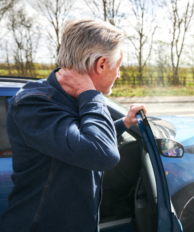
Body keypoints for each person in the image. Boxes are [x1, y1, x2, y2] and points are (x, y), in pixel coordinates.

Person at [0, 19, 147, 232]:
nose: (119, 74)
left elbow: (80, 140)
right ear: (102, 64)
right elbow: (102, 154)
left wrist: (123, 123)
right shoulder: (33, 104)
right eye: (118, 66)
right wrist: (90, 94)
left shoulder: (73, 97)